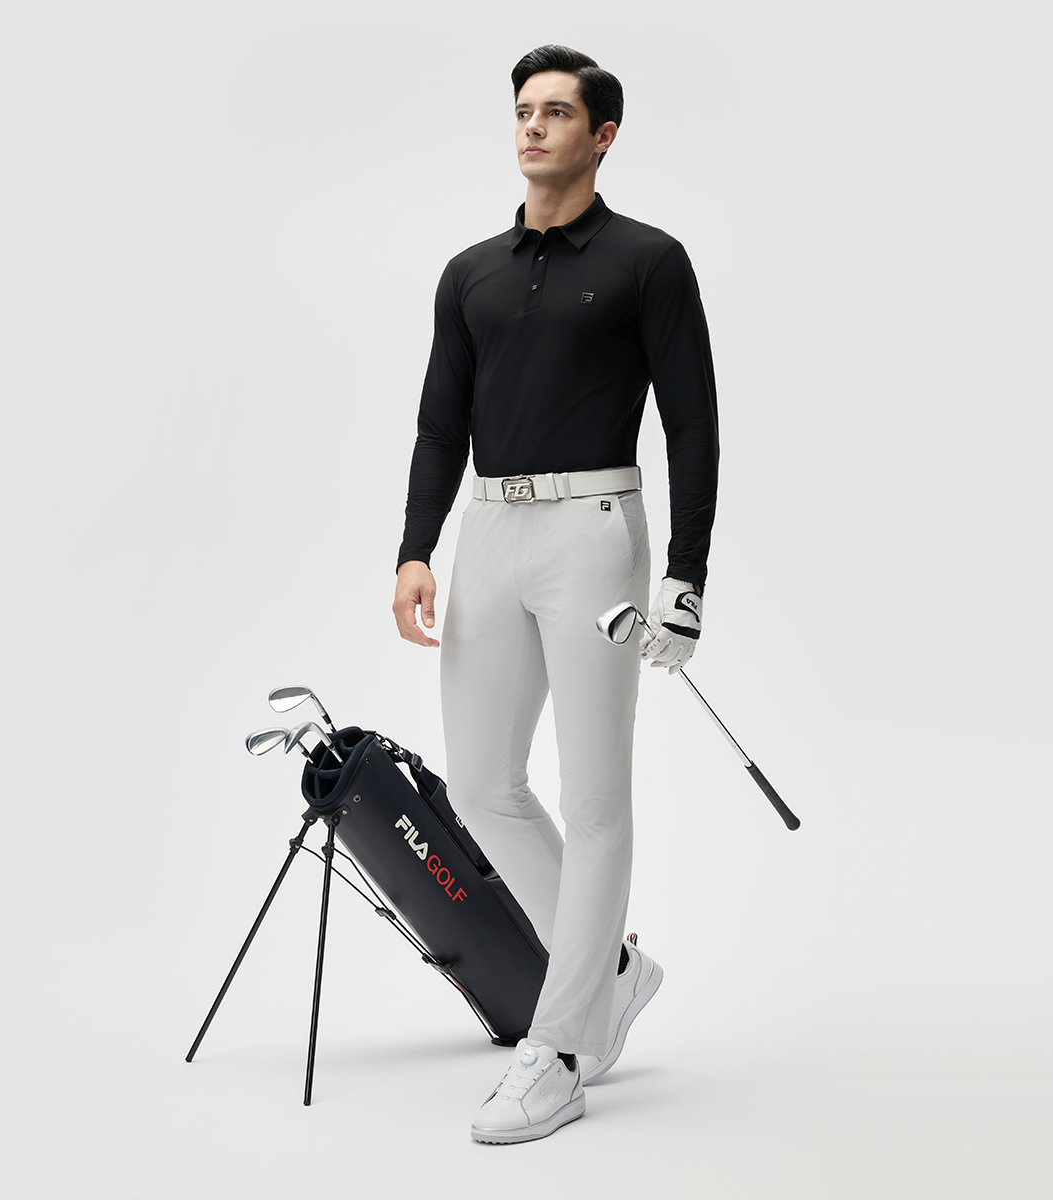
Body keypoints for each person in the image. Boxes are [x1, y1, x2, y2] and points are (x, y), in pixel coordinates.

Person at [392, 44, 718, 1144]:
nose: (533, 127)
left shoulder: (647, 261)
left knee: (595, 798)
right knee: (482, 785)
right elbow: (440, 420)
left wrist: (686, 574)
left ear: (603, 135)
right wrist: (415, 549)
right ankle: (610, 970)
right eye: (524, 111)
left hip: (594, 529)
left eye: (557, 113)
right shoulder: (470, 272)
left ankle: (562, 1047)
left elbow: (693, 420)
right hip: (490, 524)